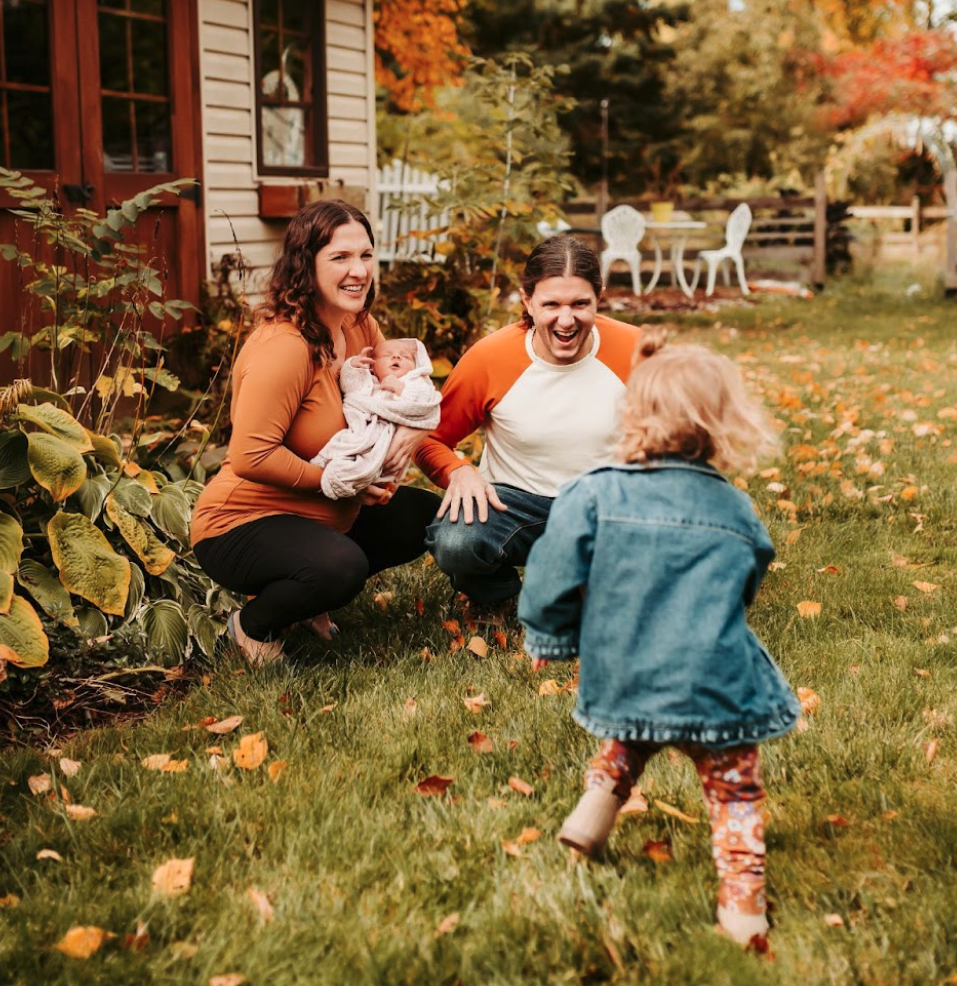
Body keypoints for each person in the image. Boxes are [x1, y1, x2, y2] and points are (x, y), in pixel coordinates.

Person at [517, 331, 800, 947]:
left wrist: (551, 637)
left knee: (632, 734)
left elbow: (551, 576)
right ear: (723, 422)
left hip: (626, 676)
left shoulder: (591, 493)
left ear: (634, 411)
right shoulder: (735, 510)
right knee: (733, 792)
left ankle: (592, 816)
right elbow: (749, 574)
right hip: (715, 682)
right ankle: (743, 908)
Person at [191, 201, 438, 665]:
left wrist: (408, 438)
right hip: (240, 523)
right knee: (342, 567)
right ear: (305, 266)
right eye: (340, 258)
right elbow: (250, 456)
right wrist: (340, 481)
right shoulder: (284, 347)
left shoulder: (359, 324)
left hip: (326, 510)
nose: (358, 270)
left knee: (424, 516)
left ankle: (309, 602)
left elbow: (406, 392)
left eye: (366, 255)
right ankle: (253, 626)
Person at [416, 235, 642, 625]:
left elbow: (679, 435)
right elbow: (429, 438)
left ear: (599, 298)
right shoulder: (491, 357)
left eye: (579, 304)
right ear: (527, 302)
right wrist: (459, 470)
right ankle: (495, 596)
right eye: (551, 304)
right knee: (456, 541)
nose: (566, 319)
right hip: (515, 505)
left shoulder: (636, 349)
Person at [312, 338, 441, 500]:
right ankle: (326, 476)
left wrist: (401, 389)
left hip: (386, 441)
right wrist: (353, 367)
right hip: (362, 431)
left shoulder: (415, 383)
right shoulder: (369, 382)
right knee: (344, 451)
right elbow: (352, 388)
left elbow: (424, 405)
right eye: (388, 355)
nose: (396, 357)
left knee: (366, 466)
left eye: (405, 356)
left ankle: (344, 480)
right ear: (373, 366)